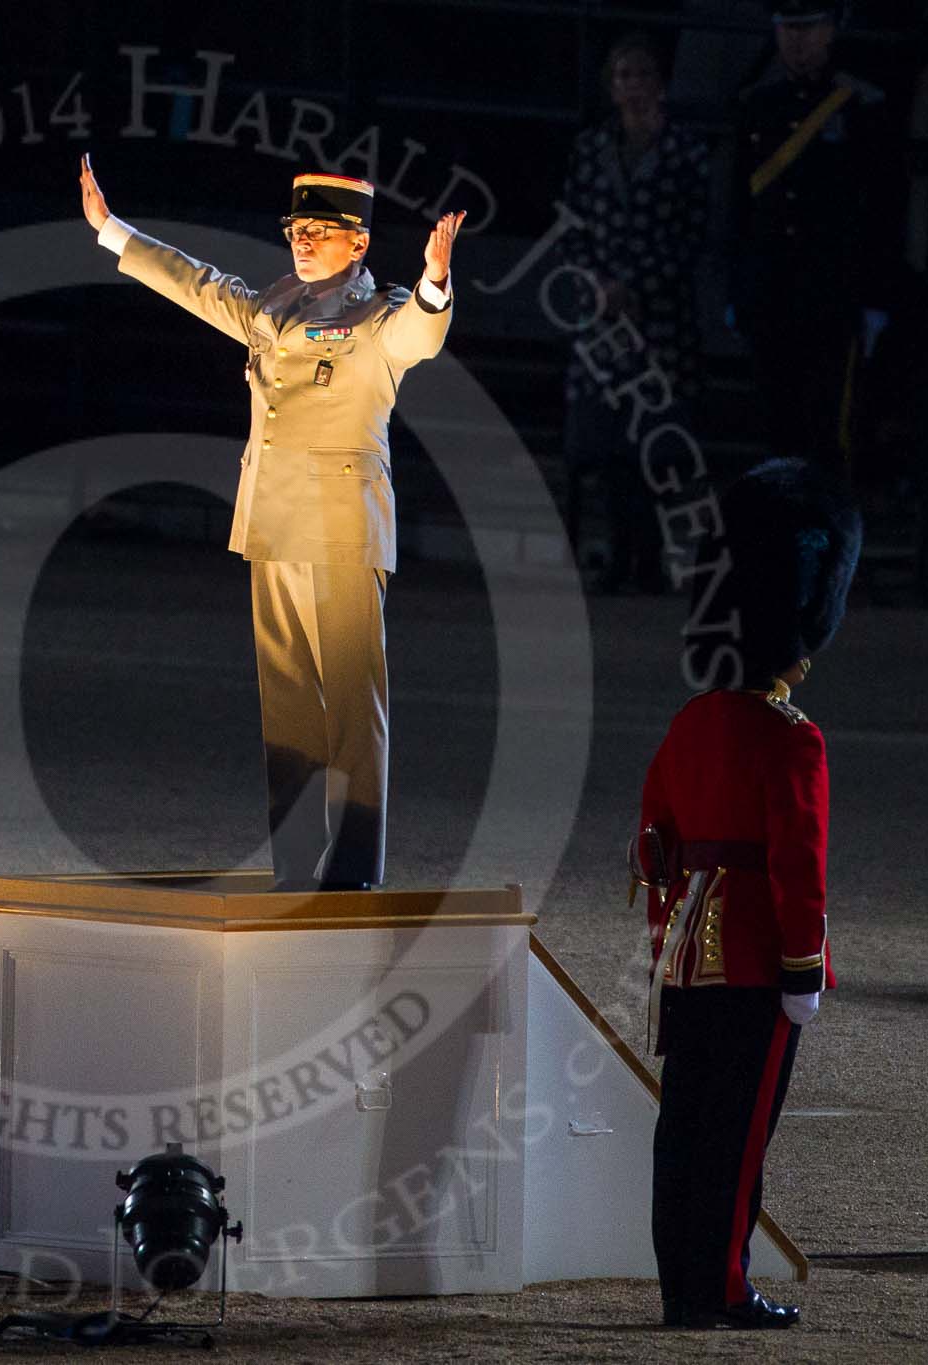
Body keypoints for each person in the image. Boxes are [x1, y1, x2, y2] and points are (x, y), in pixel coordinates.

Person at [76, 155, 462, 890]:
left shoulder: (378, 314)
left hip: (343, 525)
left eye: (324, 231)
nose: (305, 240)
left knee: (352, 705)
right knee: (287, 705)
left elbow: (420, 333)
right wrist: (113, 232)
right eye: (298, 228)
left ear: (358, 244)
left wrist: (435, 281)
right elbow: (198, 285)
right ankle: (293, 863)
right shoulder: (275, 304)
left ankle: (350, 870)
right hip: (274, 522)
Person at [633, 456, 862, 1329]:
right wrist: (805, 969)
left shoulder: (690, 723)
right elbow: (798, 864)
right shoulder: (791, 738)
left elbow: (653, 847)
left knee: (685, 1127)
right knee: (738, 1136)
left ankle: (680, 1287)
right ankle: (721, 1287)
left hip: (691, 952)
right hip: (762, 957)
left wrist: (669, 940)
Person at [558, 32, 712, 592]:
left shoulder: (685, 153)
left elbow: (691, 236)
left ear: (661, 84)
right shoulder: (591, 150)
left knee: (656, 441)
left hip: (660, 319)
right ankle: (616, 555)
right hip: (600, 320)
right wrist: (596, 286)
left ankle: (649, 560)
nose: (632, 88)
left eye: (641, 76)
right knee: (604, 442)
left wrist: (636, 284)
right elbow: (571, 227)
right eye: (623, 77)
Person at [729, 1, 906, 472]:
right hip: (771, 290)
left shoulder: (862, 106)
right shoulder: (758, 105)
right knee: (777, 426)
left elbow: (885, 208)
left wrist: (876, 297)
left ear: (830, 32)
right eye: (788, 28)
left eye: (808, 28)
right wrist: (738, 287)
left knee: (829, 432)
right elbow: (739, 206)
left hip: (833, 292)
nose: (797, 39)